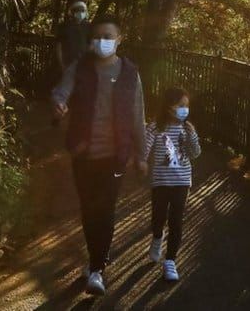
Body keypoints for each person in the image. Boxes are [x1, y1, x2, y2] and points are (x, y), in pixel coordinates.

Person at [51, 15, 148, 295]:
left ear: (119, 39)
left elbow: (137, 115)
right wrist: (58, 104)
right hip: (83, 154)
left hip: (115, 156)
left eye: (109, 36)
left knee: (104, 210)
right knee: (88, 210)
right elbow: (61, 92)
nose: (102, 41)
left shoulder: (130, 73)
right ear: (91, 40)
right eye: (98, 36)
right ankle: (95, 260)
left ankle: (96, 269)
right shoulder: (79, 68)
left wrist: (141, 154)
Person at [142, 87, 201, 282]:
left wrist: (192, 136)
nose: (185, 109)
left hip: (182, 181)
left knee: (176, 220)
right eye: (181, 105)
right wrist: (141, 160)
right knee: (158, 217)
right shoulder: (155, 127)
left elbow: (196, 154)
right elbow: (145, 147)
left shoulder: (187, 128)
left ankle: (170, 261)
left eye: (187, 106)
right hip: (161, 181)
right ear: (169, 107)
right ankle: (157, 238)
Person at [54, 0, 91, 69]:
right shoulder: (64, 26)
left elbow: (90, 45)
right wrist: (61, 64)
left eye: (82, 10)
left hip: (83, 64)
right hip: (67, 63)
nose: (80, 13)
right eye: (77, 10)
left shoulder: (89, 26)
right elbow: (59, 46)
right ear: (72, 12)